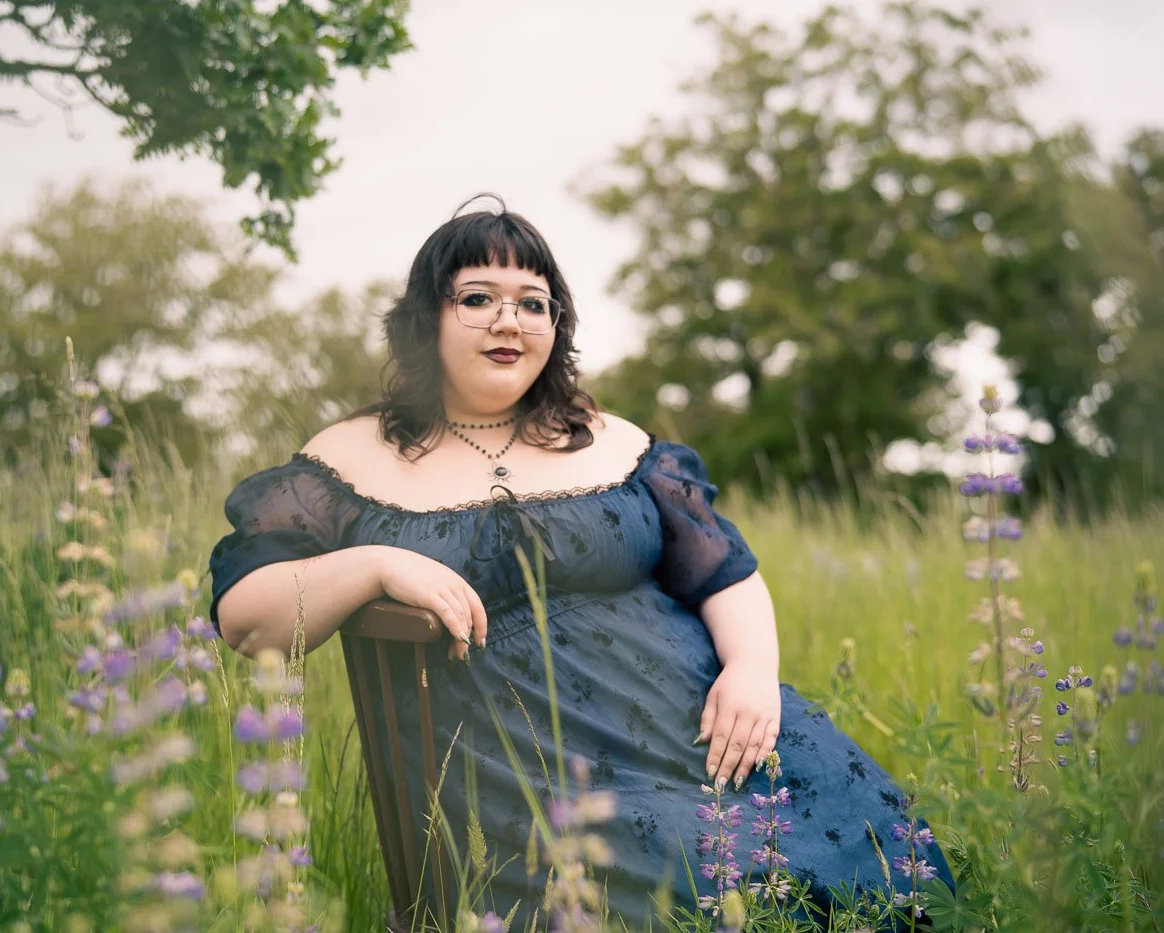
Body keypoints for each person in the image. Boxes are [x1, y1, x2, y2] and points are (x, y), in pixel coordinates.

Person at [206, 196, 954, 929]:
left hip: (705, 729)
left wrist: (752, 671)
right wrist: (371, 564)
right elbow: (248, 619)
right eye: (477, 297)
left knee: (888, 864)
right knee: (698, 881)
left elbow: (725, 573)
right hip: (536, 778)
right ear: (424, 318)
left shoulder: (614, 442)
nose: (509, 319)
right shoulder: (350, 458)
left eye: (534, 303)